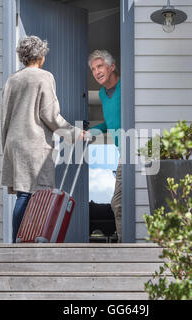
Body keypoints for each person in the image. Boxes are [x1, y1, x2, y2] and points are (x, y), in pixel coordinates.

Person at [1, 35, 87, 243]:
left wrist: (6, 144)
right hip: (33, 142)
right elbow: (49, 115)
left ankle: (21, 241)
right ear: (40, 56)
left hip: (14, 142)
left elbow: (5, 114)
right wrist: (75, 133)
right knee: (30, 193)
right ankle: (21, 244)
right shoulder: (43, 77)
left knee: (25, 191)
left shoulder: (13, 79)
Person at [88, 50, 122, 243]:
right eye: (93, 69)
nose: (96, 72)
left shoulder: (126, 85)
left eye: (100, 66)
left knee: (117, 203)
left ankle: (125, 249)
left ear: (112, 66)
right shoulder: (102, 93)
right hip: (122, 153)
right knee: (118, 204)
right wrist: (89, 133)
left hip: (137, 150)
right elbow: (109, 124)